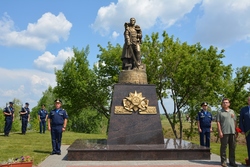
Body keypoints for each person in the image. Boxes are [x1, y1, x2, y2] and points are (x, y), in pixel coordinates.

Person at [216, 98, 238, 167]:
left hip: (232, 132)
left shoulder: (232, 111)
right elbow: (218, 122)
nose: (225, 103)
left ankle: (232, 161)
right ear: (222, 104)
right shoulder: (220, 112)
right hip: (224, 132)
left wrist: (236, 131)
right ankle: (223, 161)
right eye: (224, 102)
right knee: (223, 147)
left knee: (232, 147)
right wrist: (220, 132)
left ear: (229, 104)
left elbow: (235, 121)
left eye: (226, 102)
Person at [239, 96, 250, 165]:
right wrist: (242, 129)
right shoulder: (244, 109)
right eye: (249, 100)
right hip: (247, 131)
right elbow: (241, 120)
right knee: (249, 145)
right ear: (248, 101)